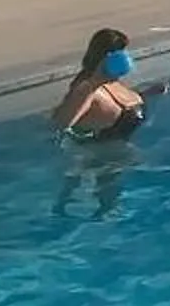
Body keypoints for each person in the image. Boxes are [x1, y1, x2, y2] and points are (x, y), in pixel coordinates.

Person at [50, 28, 151, 217]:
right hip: (105, 152)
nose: (126, 57)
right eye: (121, 53)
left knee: (109, 201)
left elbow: (121, 106)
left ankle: (99, 214)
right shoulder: (89, 88)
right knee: (108, 202)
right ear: (107, 58)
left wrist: (148, 93)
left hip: (115, 151)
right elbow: (61, 123)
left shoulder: (111, 81)